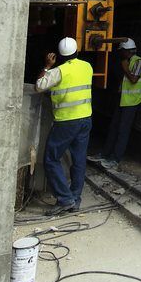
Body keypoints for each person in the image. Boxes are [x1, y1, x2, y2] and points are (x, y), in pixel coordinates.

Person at [36, 37, 93, 216]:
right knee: (79, 160)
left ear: (59, 55)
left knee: (51, 159)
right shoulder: (87, 67)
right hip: (85, 119)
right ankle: (75, 199)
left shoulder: (58, 71)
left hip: (66, 122)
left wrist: (47, 66)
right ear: (77, 51)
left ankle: (65, 199)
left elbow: (39, 86)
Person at [100, 38, 141, 170]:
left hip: (131, 102)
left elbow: (133, 79)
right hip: (122, 100)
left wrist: (125, 68)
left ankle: (115, 159)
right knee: (114, 128)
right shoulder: (127, 61)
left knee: (122, 131)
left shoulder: (138, 61)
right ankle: (105, 154)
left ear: (127, 51)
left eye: (122, 51)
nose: (120, 54)